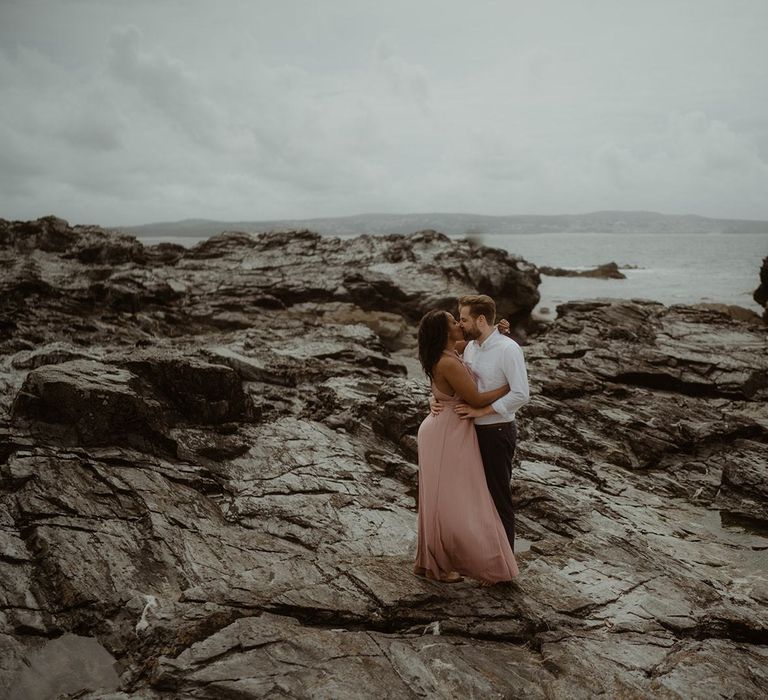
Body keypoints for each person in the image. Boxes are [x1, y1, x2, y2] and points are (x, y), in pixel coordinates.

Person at [414, 309, 519, 585]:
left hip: (450, 427)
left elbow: (479, 340)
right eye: (453, 321)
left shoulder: (454, 349)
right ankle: (438, 563)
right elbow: (474, 397)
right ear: (444, 332)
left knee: (440, 499)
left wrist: (499, 328)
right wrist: (508, 387)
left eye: (459, 319)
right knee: (444, 502)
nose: (458, 323)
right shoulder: (447, 361)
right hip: (446, 432)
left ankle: (427, 562)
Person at [453, 294, 530, 552]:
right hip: (470, 433)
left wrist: (484, 410)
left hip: (497, 432)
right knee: (475, 499)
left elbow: (521, 393)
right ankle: (482, 555)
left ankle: (504, 563)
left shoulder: (508, 349)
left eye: (464, 319)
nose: (460, 324)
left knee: (498, 499)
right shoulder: (471, 347)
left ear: (481, 319)